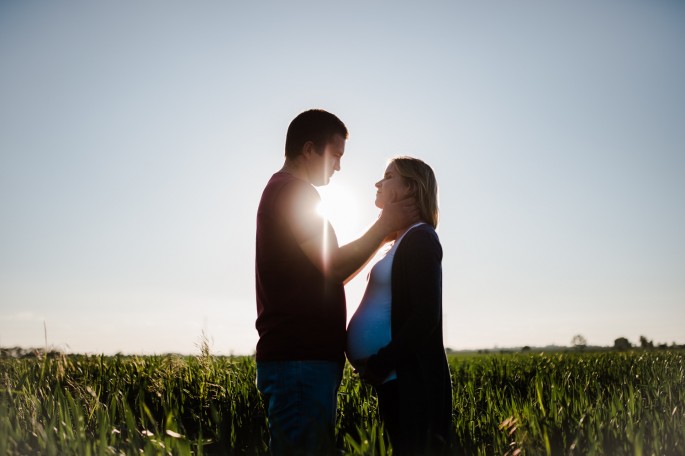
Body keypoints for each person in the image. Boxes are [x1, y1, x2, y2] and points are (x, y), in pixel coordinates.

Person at [254, 109, 418, 456]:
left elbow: (331, 273)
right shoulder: (292, 193)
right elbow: (332, 267)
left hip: (302, 361)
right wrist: (384, 224)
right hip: (298, 361)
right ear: (310, 149)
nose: (339, 167)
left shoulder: (289, 192)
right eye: (336, 155)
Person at [346, 156, 454, 455]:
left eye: (388, 176)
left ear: (409, 188)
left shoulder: (421, 239)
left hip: (411, 385)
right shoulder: (401, 241)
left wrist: (381, 362)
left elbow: (425, 317)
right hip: (395, 381)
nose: (378, 183)